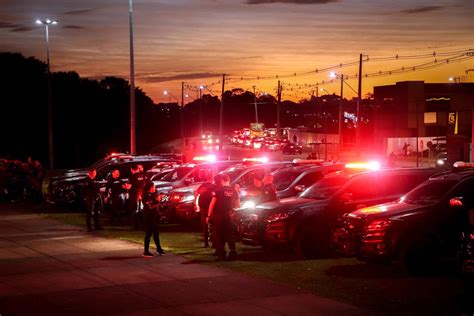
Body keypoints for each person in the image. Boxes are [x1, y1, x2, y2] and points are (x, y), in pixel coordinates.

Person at [207, 174, 240, 261]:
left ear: (221, 180)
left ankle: (221, 254)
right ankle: (233, 252)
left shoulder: (218, 190)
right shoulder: (234, 191)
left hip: (219, 216)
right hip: (229, 216)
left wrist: (209, 216)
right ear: (229, 180)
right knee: (230, 234)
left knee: (219, 235)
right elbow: (238, 205)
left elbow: (212, 204)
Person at [142, 181, 165, 257]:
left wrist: (159, 200)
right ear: (150, 187)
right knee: (149, 233)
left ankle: (158, 249)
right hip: (148, 217)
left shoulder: (152, 195)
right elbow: (150, 206)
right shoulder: (146, 195)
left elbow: (155, 204)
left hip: (153, 217)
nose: (155, 188)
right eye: (154, 186)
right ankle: (146, 251)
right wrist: (157, 201)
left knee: (155, 233)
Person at [195, 171, 217, 248]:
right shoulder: (214, 186)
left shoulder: (202, 186)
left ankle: (206, 243)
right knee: (214, 225)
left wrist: (196, 204)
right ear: (212, 178)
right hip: (212, 208)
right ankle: (214, 243)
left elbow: (196, 194)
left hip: (203, 207)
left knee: (204, 225)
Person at [128, 164, 147, 230]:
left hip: (135, 196)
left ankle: (136, 226)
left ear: (132, 170)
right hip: (142, 195)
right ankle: (143, 226)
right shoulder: (143, 175)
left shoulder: (133, 176)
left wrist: (126, 187)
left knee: (135, 210)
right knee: (142, 210)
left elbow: (129, 186)